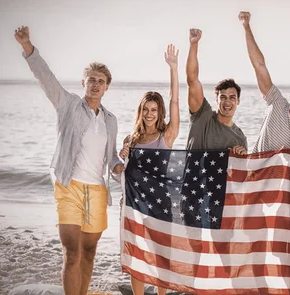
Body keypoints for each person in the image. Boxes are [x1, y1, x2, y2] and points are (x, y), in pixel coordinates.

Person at [14, 26, 124, 295]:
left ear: (107, 87)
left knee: (89, 253)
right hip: (69, 187)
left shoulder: (111, 121)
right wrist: (28, 47)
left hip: (98, 192)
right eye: (91, 80)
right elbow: (46, 78)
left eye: (101, 81)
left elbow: (111, 159)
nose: (96, 84)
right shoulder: (68, 105)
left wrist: (122, 167)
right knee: (71, 252)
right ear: (83, 83)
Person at [118, 44, 180, 295]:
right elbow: (119, 174)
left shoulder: (167, 137)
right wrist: (121, 159)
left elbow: (176, 101)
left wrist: (173, 69)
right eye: (146, 109)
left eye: (154, 110)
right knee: (136, 254)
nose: (150, 114)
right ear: (140, 111)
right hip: (133, 204)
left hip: (160, 203)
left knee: (160, 253)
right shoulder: (130, 140)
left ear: (160, 112)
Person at [238, 11, 290, 153]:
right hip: (256, 172)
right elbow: (259, 66)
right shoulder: (277, 102)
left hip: (280, 175)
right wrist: (246, 26)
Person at [185, 28, 247, 155]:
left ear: (238, 101)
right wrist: (194, 45)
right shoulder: (202, 115)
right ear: (216, 99)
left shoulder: (240, 138)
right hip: (193, 175)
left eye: (232, 97)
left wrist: (243, 157)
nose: (227, 102)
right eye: (223, 97)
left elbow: (241, 173)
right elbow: (192, 80)